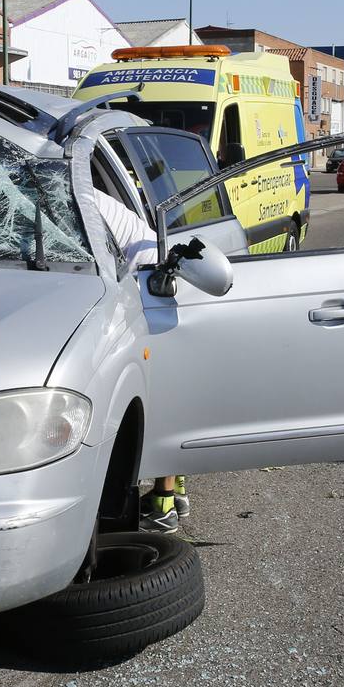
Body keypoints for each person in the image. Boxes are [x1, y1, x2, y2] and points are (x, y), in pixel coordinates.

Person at [93, 186, 193, 534]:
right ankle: (176, 489)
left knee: (159, 399)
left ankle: (163, 505)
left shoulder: (78, 201)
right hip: (153, 278)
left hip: (150, 284)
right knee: (167, 393)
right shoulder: (88, 195)